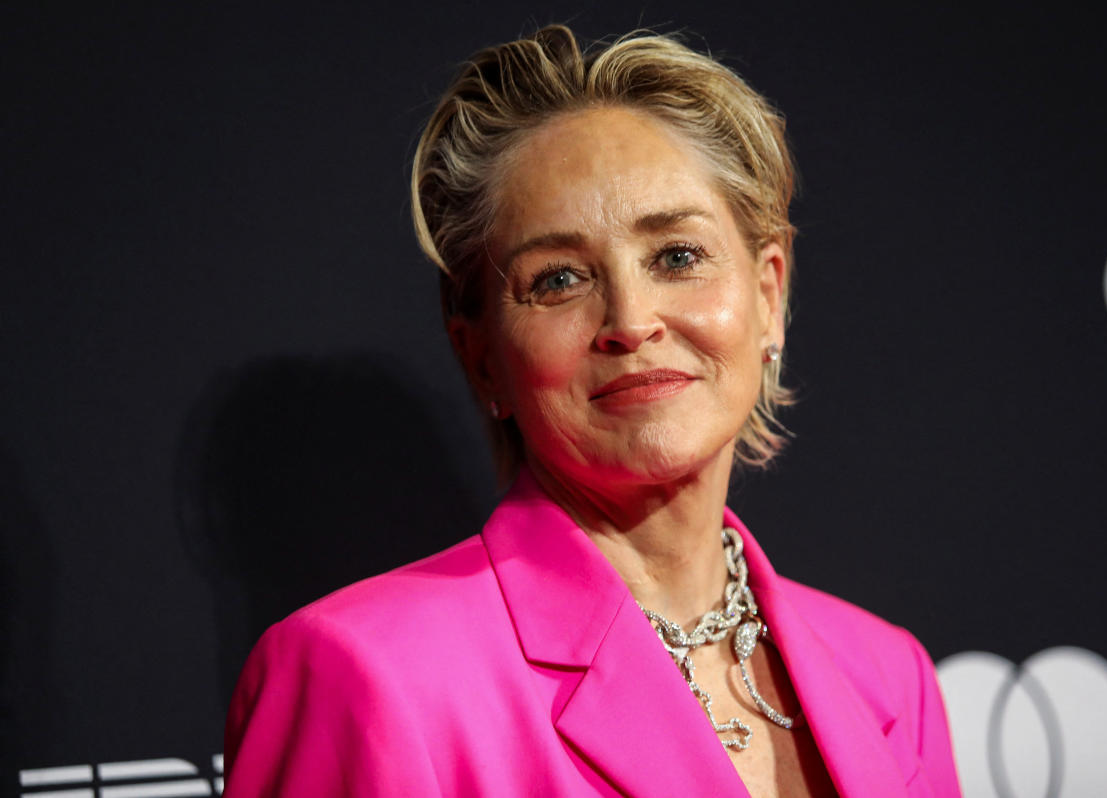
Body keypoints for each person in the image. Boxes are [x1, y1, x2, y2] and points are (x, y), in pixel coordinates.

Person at [223, 25, 961, 798]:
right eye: (559, 280)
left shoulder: (886, 674)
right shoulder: (363, 675)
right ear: (480, 356)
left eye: (677, 256)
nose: (631, 321)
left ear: (768, 295)